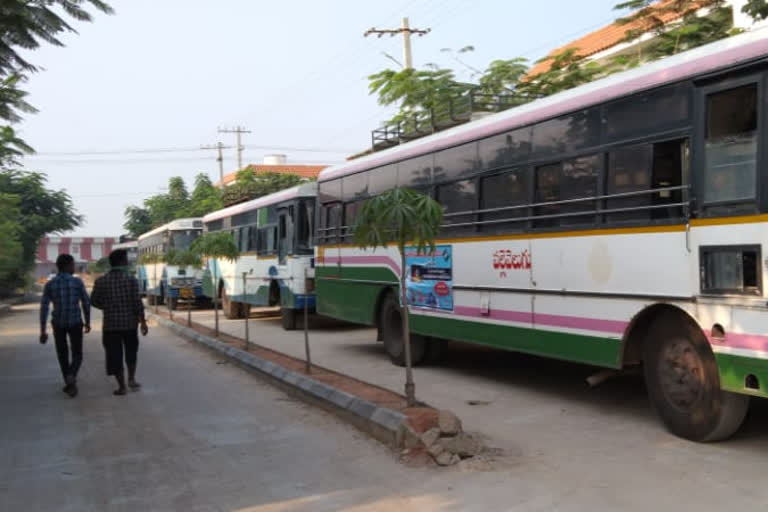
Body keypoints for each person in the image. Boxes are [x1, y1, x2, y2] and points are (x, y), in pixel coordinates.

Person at [90, 249, 148, 396]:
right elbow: (137, 303)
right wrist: (142, 322)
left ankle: (121, 386)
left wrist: (107, 306)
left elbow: (94, 301)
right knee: (131, 352)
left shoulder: (101, 281)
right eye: (126, 259)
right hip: (129, 324)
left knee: (114, 356)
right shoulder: (131, 280)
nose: (128, 262)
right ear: (122, 262)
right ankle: (132, 379)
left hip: (110, 325)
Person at [40, 254, 91, 397]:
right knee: (77, 354)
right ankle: (72, 376)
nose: (74, 267)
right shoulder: (77, 282)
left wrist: (43, 330)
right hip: (75, 322)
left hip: (58, 324)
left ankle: (70, 383)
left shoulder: (50, 284)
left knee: (62, 354)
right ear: (68, 266)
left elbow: (44, 307)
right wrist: (87, 321)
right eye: (73, 265)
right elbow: (86, 302)